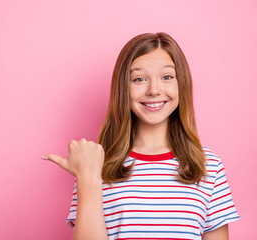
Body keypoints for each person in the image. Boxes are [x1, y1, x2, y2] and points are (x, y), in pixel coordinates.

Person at [41, 32, 241, 240]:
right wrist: (87, 178)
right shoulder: (94, 166)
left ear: (182, 83)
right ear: (122, 89)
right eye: (138, 79)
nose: (154, 90)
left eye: (167, 77)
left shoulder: (209, 165)